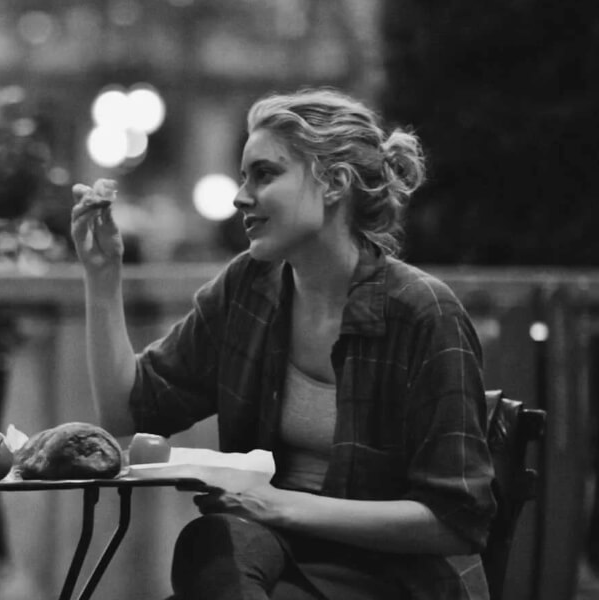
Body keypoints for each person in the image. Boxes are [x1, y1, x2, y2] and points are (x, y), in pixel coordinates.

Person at [70, 88, 495, 600]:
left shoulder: (424, 312)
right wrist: (102, 277)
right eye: (243, 175)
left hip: (395, 576)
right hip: (273, 556)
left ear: (334, 183)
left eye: (264, 174)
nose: (239, 196)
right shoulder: (249, 288)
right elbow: (129, 412)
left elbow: (454, 522)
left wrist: (276, 506)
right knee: (213, 541)